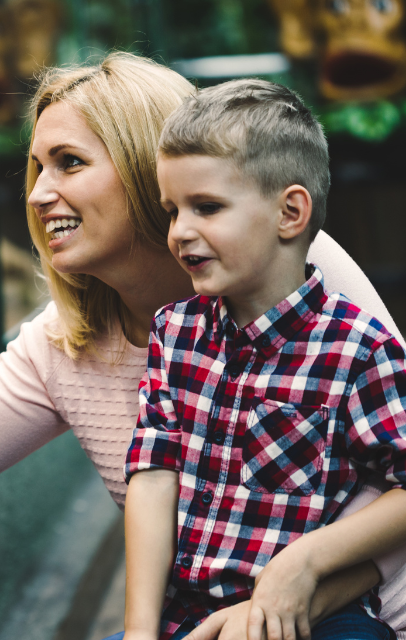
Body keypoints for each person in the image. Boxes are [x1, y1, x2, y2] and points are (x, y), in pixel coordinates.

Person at [0, 52, 406, 636]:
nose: (36, 194)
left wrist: (293, 590)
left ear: (144, 163)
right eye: (37, 169)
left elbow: (388, 464)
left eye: (70, 162)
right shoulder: (67, 342)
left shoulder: (292, 266)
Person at [123, 79, 406, 640]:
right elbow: (153, 476)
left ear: (290, 212)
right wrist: (137, 630)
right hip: (187, 616)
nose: (180, 231)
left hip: (314, 617)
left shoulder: (359, 349)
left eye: (206, 207)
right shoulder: (174, 332)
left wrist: (308, 560)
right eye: (172, 210)